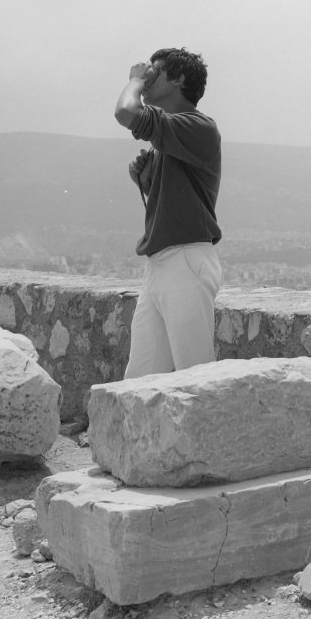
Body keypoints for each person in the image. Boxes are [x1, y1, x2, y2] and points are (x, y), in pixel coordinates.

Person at [114, 47, 222, 379]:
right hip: (163, 262)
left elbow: (126, 112)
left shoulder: (197, 126)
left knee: (196, 373)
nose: (148, 77)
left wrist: (134, 79)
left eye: (155, 71)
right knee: (141, 377)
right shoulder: (171, 138)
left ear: (178, 79)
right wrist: (148, 183)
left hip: (186, 258)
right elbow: (178, 198)